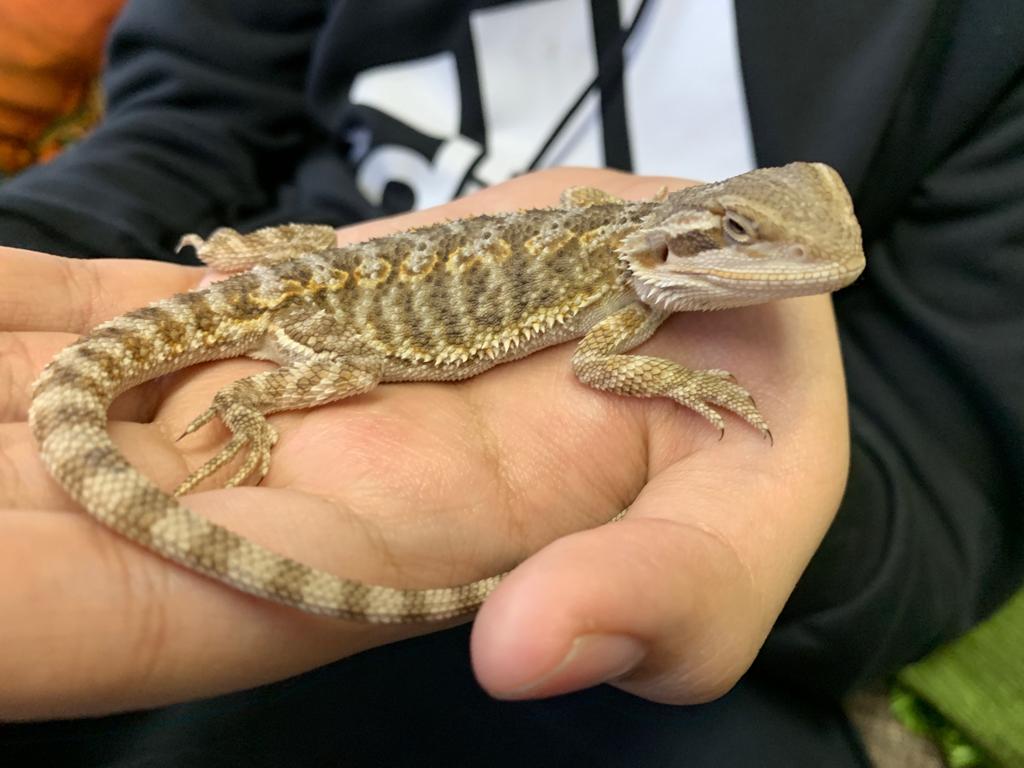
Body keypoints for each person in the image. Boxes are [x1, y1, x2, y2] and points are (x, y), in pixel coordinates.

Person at [1, 1, 1021, 765]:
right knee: (344, 376)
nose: (802, 266)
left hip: (307, 276)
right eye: (748, 239)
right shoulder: (632, 295)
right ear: (686, 244)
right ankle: (244, 402)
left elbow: (954, 463)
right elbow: (596, 359)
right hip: (302, 313)